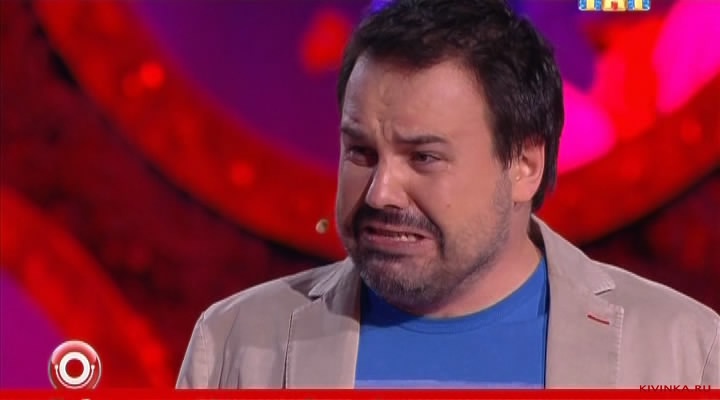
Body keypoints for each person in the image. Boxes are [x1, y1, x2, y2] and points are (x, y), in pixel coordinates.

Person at [177, 0, 719, 389]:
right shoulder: (233, 341)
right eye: (360, 152)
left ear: (525, 165)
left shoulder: (684, 350)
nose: (381, 193)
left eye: (424, 157)